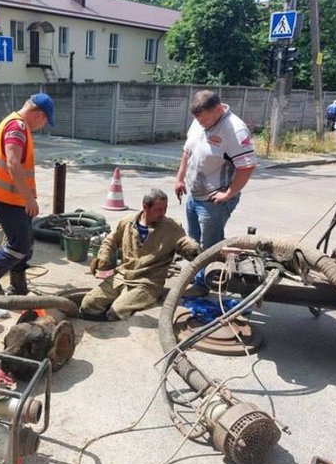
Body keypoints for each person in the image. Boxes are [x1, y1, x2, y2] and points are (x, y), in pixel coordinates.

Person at [174, 90, 256, 293]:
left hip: (214, 200)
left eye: (204, 119)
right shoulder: (200, 121)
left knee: (210, 245)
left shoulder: (235, 130)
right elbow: (187, 151)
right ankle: (198, 274)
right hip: (195, 194)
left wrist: (228, 194)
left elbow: (247, 166)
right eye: (198, 119)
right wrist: (180, 178)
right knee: (194, 239)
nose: (200, 123)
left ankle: (203, 284)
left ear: (218, 110)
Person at [79, 189, 200, 321]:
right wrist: (104, 257)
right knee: (88, 303)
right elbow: (110, 241)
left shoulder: (172, 228)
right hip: (122, 275)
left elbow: (184, 243)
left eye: (165, 209)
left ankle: (112, 320)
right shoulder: (127, 222)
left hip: (148, 283)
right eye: (158, 209)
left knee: (117, 310)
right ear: (145, 206)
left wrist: (192, 248)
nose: (163, 213)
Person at [0, 93, 55, 295]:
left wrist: (28, 198)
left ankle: (18, 288)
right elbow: (13, 163)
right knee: (20, 245)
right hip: (7, 197)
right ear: (39, 115)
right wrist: (29, 198)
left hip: (15, 197)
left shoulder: (17, 124)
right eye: (45, 121)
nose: (43, 125)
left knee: (26, 245)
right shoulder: (17, 127)